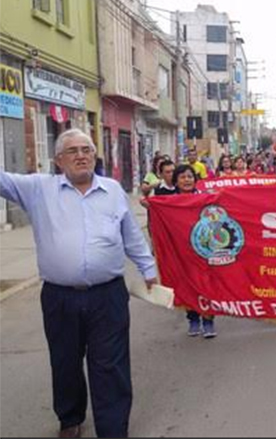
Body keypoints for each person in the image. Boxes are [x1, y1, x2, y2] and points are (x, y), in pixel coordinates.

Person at [0, 129, 158, 438]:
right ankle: (70, 417)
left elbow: (131, 234)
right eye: (72, 151)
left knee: (109, 364)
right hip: (60, 297)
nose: (81, 155)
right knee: (65, 362)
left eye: (86, 149)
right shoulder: (38, 189)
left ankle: (112, 428)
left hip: (108, 295)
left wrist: (147, 268)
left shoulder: (112, 190)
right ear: (59, 160)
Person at [172, 164, 218, 338]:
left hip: (204, 250)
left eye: (190, 176)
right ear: (176, 181)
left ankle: (208, 320)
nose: (187, 180)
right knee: (188, 285)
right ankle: (193, 319)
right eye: (182, 177)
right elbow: (147, 205)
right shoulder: (170, 201)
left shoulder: (205, 198)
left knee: (206, 285)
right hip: (182, 252)